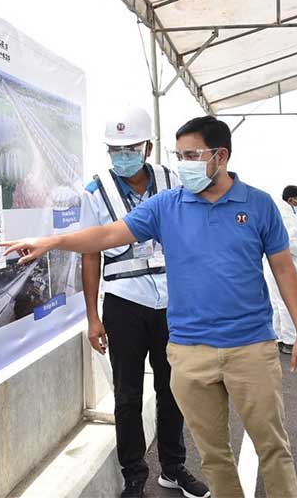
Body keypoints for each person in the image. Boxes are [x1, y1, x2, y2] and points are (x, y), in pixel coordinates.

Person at [2, 115, 297, 498]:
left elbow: (284, 269)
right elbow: (108, 234)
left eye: (192, 154)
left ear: (221, 155)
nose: (183, 163)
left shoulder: (260, 205)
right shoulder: (168, 204)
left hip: (250, 347)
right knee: (214, 455)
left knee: (273, 449)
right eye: (179, 154)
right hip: (189, 350)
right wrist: (52, 242)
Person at [80, 108, 206, 498]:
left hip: (173, 302)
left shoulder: (174, 181)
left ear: (148, 147)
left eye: (131, 148)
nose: (123, 156)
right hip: (123, 303)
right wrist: (92, 317)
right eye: (115, 149)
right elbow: (89, 254)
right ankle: (134, 474)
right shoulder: (95, 191)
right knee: (128, 393)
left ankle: (173, 467)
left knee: (174, 388)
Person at [265, 185, 297, 354]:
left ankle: (279, 336)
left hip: (271, 265)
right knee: (288, 301)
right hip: (287, 264)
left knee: (277, 302)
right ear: (292, 200)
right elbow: (291, 245)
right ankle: (291, 341)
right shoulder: (288, 216)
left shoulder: (278, 211)